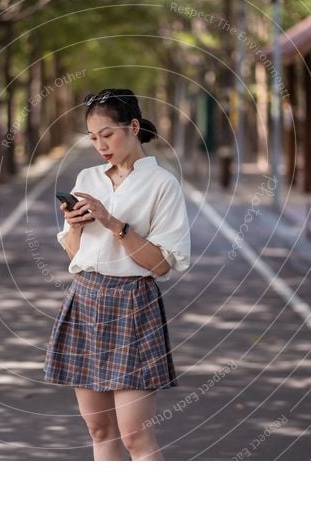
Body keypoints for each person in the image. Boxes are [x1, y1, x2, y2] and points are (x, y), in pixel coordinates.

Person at [44, 88, 191, 461]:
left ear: (134, 127)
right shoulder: (87, 178)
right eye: (93, 138)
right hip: (85, 298)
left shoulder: (163, 184)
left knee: (135, 438)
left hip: (132, 303)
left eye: (107, 135)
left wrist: (113, 223)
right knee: (99, 430)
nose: (100, 145)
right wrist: (74, 226)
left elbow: (160, 264)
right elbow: (76, 256)